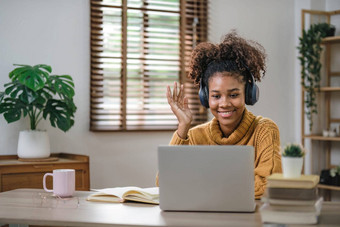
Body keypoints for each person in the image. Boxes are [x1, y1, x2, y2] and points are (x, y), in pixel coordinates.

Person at [157, 31, 282, 199]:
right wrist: (183, 128)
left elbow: (268, 184)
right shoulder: (194, 136)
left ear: (249, 94)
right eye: (216, 96)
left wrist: (203, 188)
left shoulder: (264, 130)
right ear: (205, 97)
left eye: (233, 95)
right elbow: (164, 182)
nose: (224, 103)